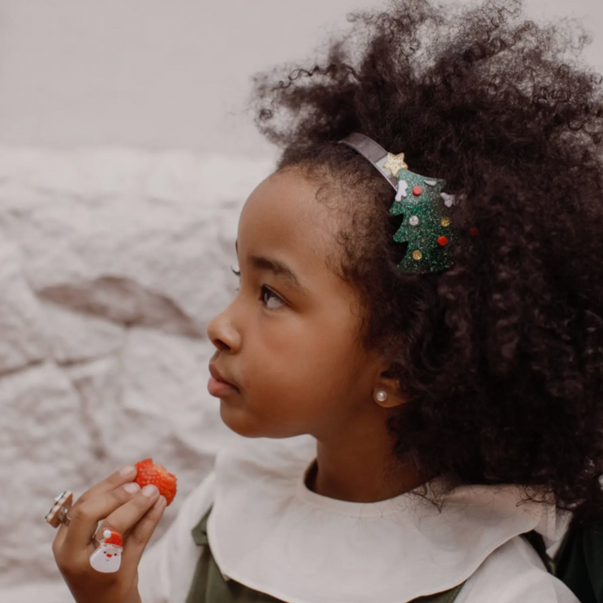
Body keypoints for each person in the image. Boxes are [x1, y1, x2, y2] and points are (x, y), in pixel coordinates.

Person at [50, 0, 603, 601]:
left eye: (270, 294)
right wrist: (106, 594)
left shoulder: (495, 589)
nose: (219, 325)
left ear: (398, 368)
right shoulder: (225, 512)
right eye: (239, 279)